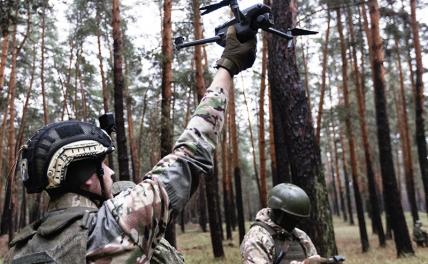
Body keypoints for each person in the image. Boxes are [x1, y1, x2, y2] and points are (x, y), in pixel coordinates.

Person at [5, 26, 256, 264]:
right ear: (86, 180)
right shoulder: (107, 230)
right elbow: (190, 155)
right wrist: (228, 65)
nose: (112, 173)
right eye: (102, 166)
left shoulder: (18, 250)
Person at [241, 183, 322, 264]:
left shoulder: (301, 236)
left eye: (299, 218)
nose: (297, 222)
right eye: (293, 218)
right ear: (279, 213)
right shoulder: (257, 237)